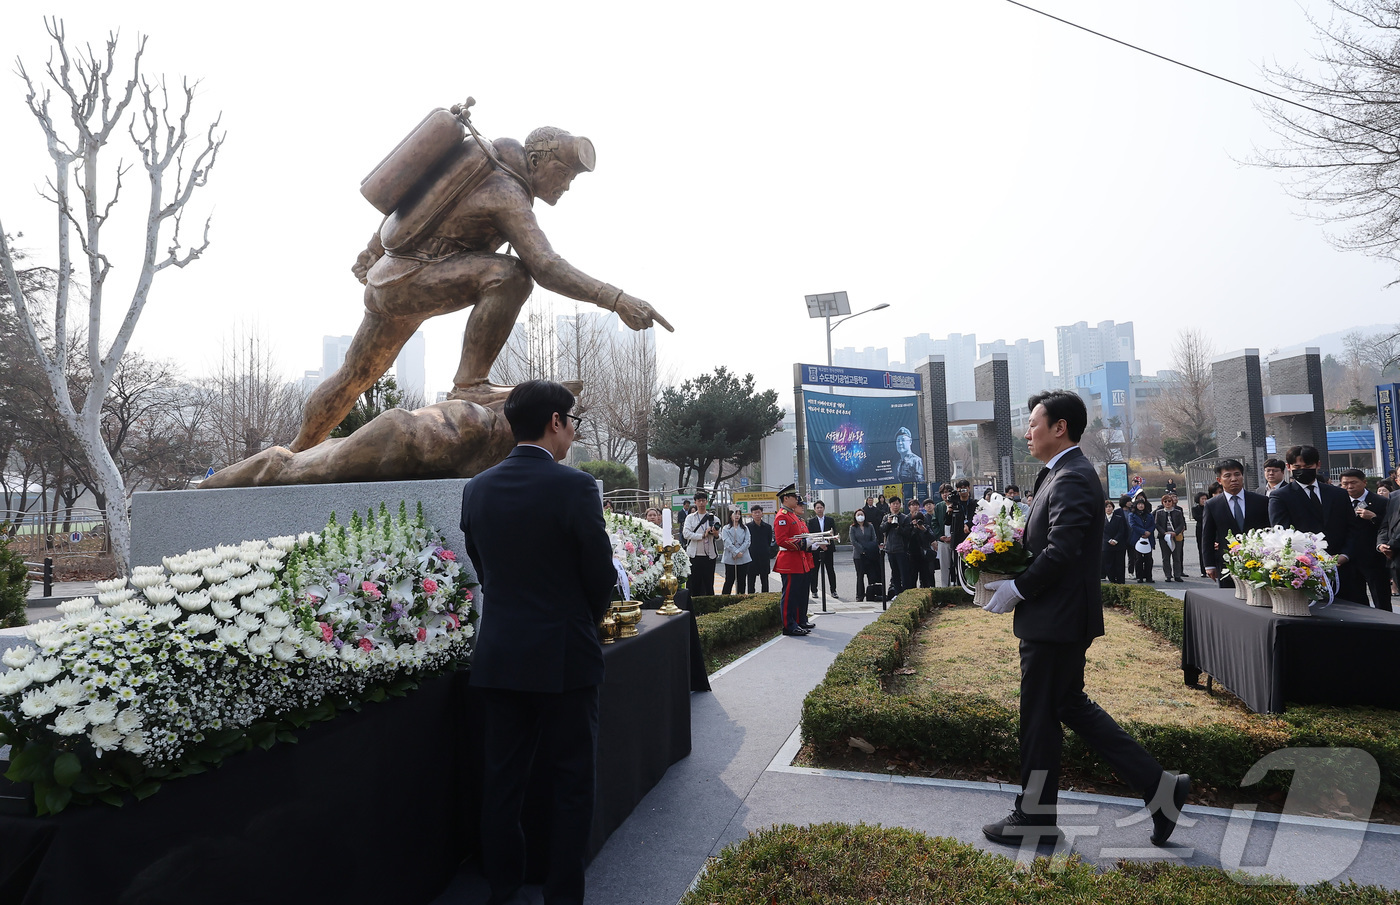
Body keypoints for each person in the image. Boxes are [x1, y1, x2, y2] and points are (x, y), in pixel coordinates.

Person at [292, 121, 672, 454]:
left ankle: (295, 451)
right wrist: (617, 299)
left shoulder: (478, 160)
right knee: (512, 274)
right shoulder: (506, 191)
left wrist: (373, 250)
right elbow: (545, 266)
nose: (567, 186)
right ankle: (471, 385)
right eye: (564, 173)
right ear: (537, 160)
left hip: (392, 277)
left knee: (354, 375)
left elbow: (415, 199)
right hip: (414, 277)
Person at [979, 389, 1188, 848]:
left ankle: (1034, 817)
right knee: (1067, 706)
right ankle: (1160, 788)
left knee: (1038, 717)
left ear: (1060, 428)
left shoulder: (1071, 477)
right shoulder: (1055, 475)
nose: (1027, 432)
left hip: (1056, 620)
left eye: (1033, 423)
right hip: (1057, 618)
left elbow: (1062, 550)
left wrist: (1018, 588)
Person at [459, 380, 617, 905]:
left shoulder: (477, 489)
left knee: (502, 782)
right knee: (572, 782)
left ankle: (503, 889)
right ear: (556, 421)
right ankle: (562, 896)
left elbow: (484, 570)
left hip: (500, 654)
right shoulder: (574, 487)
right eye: (574, 421)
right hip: (565, 656)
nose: (574, 431)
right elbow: (599, 576)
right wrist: (582, 619)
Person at [1269, 445, 1359, 602]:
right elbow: (1283, 535)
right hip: (1305, 571)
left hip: (1343, 568)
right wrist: (1311, 560)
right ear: (1289, 467)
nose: (1303, 470)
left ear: (1318, 465)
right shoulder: (1280, 497)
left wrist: (1344, 555)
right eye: (1297, 466)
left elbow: (1352, 528)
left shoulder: (1338, 494)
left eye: (1308, 466)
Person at [1200, 459, 1271, 587]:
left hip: (1258, 563)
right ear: (1219, 480)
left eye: (1237, 474)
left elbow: (1269, 531)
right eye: (1228, 475)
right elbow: (1207, 536)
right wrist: (1209, 565)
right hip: (1228, 564)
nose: (1233, 479)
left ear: (1242, 476)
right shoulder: (1212, 505)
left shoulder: (1261, 501)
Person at [1339, 469, 1390, 610]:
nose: (1349, 487)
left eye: (1353, 482)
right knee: (1356, 599)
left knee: (1381, 598)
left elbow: (1389, 527)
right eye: (1345, 484)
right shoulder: (1339, 502)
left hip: (1375, 558)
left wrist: (1374, 517)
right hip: (1349, 559)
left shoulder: (1381, 502)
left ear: (1364, 482)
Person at [773, 485, 814, 635]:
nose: (797, 499)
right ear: (785, 498)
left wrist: (807, 543)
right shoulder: (782, 516)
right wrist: (804, 543)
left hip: (798, 560)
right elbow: (782, 540)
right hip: (789, 562)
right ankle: (789, 626)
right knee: (789, 596)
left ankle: (796, 622)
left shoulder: (792, 515)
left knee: (797, 595)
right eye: (794, 497)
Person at [683, 490, 721, 596]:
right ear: (695, 502)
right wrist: (702, 535)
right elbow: (686, 534)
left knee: (709, 584)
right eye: (699, 501)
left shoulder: (714, 518)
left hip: (709, 555)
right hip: (694, 555)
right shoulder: (690, 518)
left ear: (707, 502)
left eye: (703, 501)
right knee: (693, 583)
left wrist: (715, 534)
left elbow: (719, 537)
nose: (701, 503)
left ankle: (709, 607)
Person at [806, 500, 839, 599]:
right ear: (815, 510)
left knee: (830, 570)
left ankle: (833, 590)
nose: (819, 509)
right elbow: (810, 536)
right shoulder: (811, 521)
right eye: (817, 508)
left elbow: (833, 533)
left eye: (821, 507)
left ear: (824, 508)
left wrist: (825, 545)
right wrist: (820, 545)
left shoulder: (830, 520)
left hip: (828, 548)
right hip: (816, 549)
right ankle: (814, 591)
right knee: (814, 570)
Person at [880, 496, 912, 599]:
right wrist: (888, 523)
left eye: (897, 504)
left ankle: (906, 594)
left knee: (904, 573)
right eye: (893, 504)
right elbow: (881, 529)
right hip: (890, 549)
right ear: (890, 505)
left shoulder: (905, 518)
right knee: (895, 573)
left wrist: (898, 527)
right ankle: (897, 593)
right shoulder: (886, 517)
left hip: (901, 550)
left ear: (900, 505)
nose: (895, 506)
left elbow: (908, 533)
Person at [850, 508, 882, 602]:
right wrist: (862, 550)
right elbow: (853, 541)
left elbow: (874, 538)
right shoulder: (853, 528)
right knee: (860, 576)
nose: (860, 516)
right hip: (858, 555)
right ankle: (860, 596)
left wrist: (868, 549)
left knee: (871, 575)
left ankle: (871, 594)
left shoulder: (870, 526)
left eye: (862, 514)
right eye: (858, 515)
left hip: (870, 554)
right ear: (855, 517)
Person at [1154, 494, 1187, 583]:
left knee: (1176, 557)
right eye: (1165, 501)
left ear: (1172, 502)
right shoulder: (1159, 512)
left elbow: (1181, 524)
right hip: (1164, 537)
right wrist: (1164, 533)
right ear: (1162, 503)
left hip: (1175, 536)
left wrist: (1175, 532)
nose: (1167, 503)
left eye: (1169, 501)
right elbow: (1157, 524)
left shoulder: (1178, 512)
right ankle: (1168, 575)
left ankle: (1177, 575)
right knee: (1165, 557)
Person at [719, 508, 752, 595]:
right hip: (730, 557)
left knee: (742, 581)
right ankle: (725, 600)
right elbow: (726, 542)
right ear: (730, 515)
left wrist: (740, 552)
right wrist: (735, 552)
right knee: (729, 580)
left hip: (743, 556)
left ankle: (740, 599)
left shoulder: (745, 528)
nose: (737, 516)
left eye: (738, 514)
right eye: (735, 514)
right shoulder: (726, 528)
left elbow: (747, 541)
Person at [744, 506, 774, 593]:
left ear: (762, 513)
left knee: (764, 579)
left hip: (764, 555)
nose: (757, 514)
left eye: (758, 512)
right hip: (751, 555)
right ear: (751, 514)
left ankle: (765, 597)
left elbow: (769, 541)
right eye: (755, 512)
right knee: (751, 579)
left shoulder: (768, 527)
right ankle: (751, 596)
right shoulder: (748, 527)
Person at [1127, 495, 1156, 583]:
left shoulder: (1149, 515)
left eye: (1142, 504)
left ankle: (1148, 577)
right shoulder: (1132, 515)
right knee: (1138, 559)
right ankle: (1139, 576)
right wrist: (1143, 532)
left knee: (1149, 559)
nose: (1140, 506)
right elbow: (1133, 525)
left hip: (1148, 538)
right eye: (1139, 504)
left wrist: (1149, 532)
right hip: (1137, 538)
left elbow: (1153, 525)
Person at [1102, 499, 1128, 584]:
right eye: (1106, 507)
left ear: (1113, 508)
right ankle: (1112, 581)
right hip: (1106, 545)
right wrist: (1109, 540)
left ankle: (1121, 582)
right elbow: (1102, 532)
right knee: (1109, 565)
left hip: (1119, 545)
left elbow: (1122, 530)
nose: (1108, 508)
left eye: (1110, 506)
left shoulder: (1119, 518)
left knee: (1119, 565)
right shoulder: (1101, 519)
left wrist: (1115, 540)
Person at [1190, 491, 1209, 576]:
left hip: (1210, 529)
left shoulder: (1210, 507)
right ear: (1198, 500)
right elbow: (1197, 518)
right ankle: (1203, 570)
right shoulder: (1195, 509)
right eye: (1202, 499)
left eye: (1205, 498)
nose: (1204, 500)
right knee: (1202, 550)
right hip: (1200, 529)